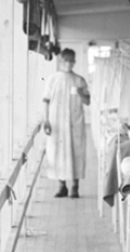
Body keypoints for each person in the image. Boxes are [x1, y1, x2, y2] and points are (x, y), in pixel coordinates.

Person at [41, 48, 91, 198]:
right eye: (66, 60)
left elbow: (88, 101)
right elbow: (46, 100)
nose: (68, 63)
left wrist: (81, 93)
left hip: (74, 122)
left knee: (76, 152)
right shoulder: (53, 79)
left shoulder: (79, 80)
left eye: (71, 60)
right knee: (59, 153)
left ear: (74, 61)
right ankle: (62, 186)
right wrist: (46, 120)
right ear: (61, 61)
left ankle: (75, 187)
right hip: (57, 122)